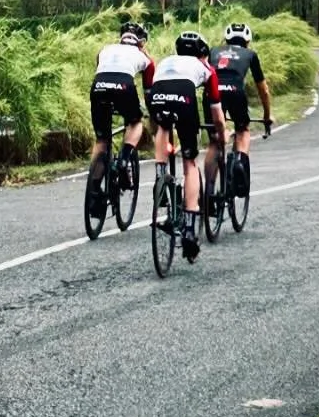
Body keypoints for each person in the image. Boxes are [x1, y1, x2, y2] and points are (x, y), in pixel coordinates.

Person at [147, 30, 225, 262]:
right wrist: (220, 134)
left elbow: (153, 113)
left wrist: (159, 127)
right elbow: (217, 114)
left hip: (158, 94)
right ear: (203, 54)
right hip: (185, 96)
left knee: (162, 128)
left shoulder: (165, 61)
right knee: (190, 164)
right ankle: (190, 228)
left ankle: (161, 177)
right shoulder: (206, 69)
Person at [87, 20, 154, 217]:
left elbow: (104, 72)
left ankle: (94, 191)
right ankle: (124, 160)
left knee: (102, 139)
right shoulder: (144, 57)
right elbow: (149, 91)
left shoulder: (104, 50)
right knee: (135, 122)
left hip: (98, 88)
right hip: (125, 86)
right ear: (141, 42)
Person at [206, 22, 272, 204]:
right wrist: (267, 116)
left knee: (214, 140)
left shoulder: (213, 51)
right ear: (247, 41)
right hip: (235, 91)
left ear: (226, 39)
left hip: (212, 93)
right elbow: (263, 91)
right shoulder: (250, 54)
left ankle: (209, 193)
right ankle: (240, 162)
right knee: (242, 130)